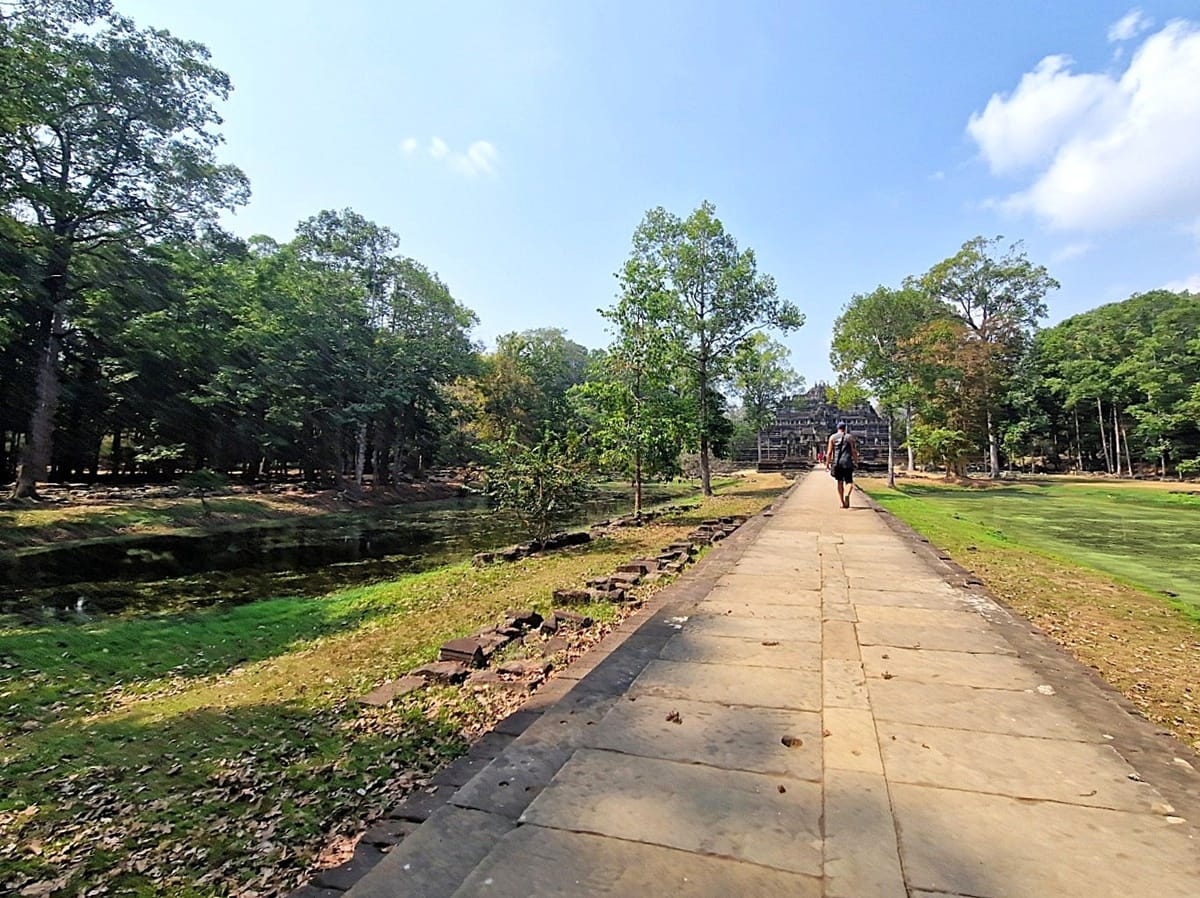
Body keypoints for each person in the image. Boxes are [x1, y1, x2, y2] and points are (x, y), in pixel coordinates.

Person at [825, 420, 859, 508]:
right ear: (845, 428)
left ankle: (842, 502)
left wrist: (827, 464)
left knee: (839, 482)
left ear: (838, 428)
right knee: (849, 482)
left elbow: (829, 452)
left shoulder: (832, 437)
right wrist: (856, 461)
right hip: (847, 462)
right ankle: (847, 494)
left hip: (837, 463)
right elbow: (854, 451)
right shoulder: (850, 437)